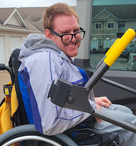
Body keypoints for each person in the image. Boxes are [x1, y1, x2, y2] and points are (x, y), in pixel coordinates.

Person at [18, 3, 136, 146]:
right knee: (131, 125)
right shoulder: (45, 62)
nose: (73, 38)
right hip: (70, 131)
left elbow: (62, 97)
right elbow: (49, 122)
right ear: (49, 35)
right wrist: (89, 109)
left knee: (125, 111)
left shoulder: (59, 55)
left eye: (76, 31)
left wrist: (91, 101)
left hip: (76, 121)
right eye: (65, 33)